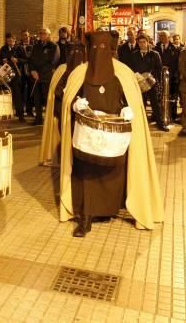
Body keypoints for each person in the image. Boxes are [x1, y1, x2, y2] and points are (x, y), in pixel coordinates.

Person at [57, 31, 163, 236]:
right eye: (95, 49)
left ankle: (108, 209)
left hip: (114, 134)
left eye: (104, 49)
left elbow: (131, 99)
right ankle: (86, 217)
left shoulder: (123, 72)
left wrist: (127, 109)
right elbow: (67, 97)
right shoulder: (80, 72)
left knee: (113, 173)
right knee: (87, 174)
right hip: (86, 134)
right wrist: (75, 104)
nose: (99, 53)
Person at [40, 42, 84, 165]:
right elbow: (57, 89)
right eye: (72, 53)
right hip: (63, 110)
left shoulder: (84, 69)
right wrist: (67, 93)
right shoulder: (62, 70)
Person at [131, 33, 168, 131]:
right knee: (140, 104)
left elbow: (158, 68)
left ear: (148, 43)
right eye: (140, 42)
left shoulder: (154, 54)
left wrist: (150, 76)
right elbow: (132, 68)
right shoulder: (134, 55)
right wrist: (138, 76)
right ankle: (141, 124)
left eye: (144, 42)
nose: (142, 44)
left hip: (151, 83)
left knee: (155, 104)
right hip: (139, 83)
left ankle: (160, 123)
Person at [29, 28, 59, 125]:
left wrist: (40, 73)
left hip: (46, 77)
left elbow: (52, 62)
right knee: (37, 99)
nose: (42, 35)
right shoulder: (36, 46)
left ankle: (48, 120)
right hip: (36, 77)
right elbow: (31, 60)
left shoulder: (53, 46)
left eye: (44, 33)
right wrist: (33, 71)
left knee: (47, 99)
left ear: (48, 35)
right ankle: (38, 118)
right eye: (40, 33)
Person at [0, 32, 26, 121]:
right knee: (6, 92)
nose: (10, 43)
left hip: (17, 74)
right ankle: (5, 113)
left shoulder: (20, 48)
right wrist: (2, 61)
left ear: (15, 40)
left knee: (17, 94)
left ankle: (20, 115)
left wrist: (17, 60)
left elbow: (26, 59)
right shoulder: (3, 48)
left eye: (12, 41)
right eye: (9, 41)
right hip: (6, 73)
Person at [155, 30, 180, 122]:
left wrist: (170, 70)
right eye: (160, 36)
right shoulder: (156, 48)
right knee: (158, 97)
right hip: (159, 77)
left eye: (164, 36)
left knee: (172, 97)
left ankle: (172, 116)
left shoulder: (175, 49)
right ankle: (158, 115)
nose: (162, 38)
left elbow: (177, 63)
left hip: (172, 77)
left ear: (169, 37)